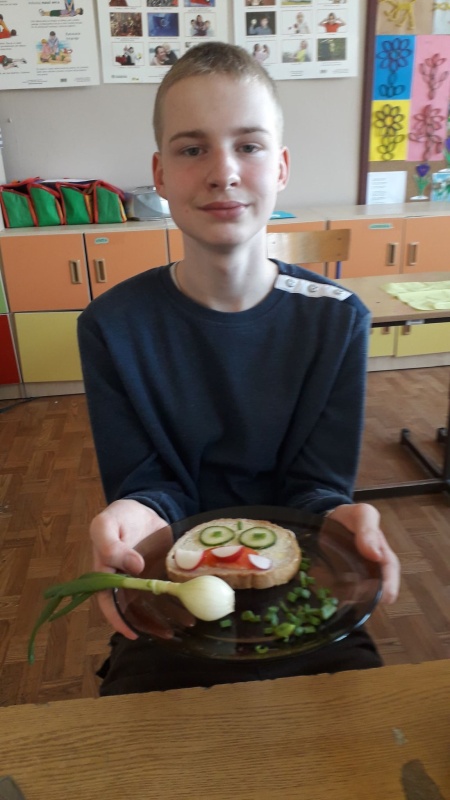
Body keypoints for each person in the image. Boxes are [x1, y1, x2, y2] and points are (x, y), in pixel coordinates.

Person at [77, 41, 400, 696]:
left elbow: (315, 487)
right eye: (191, 149)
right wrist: (134, 512)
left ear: (280, 167)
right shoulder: (111, 326)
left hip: (302, 583)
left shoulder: (338, 319)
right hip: (174, 591)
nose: (222, 172)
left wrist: (339, 516)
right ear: (159, 174)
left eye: (248, 146)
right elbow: (150, 483)